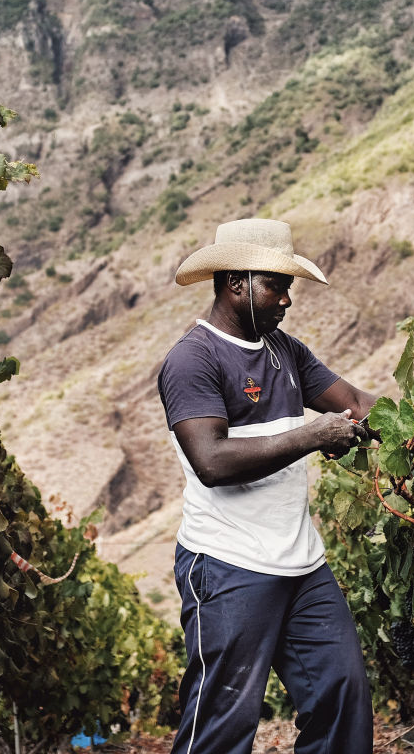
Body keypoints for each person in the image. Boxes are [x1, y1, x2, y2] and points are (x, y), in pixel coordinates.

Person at [158, 218, 378, 754]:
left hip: (301, 566)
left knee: (342, 695)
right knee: (222, 724)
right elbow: (211, 461)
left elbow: (356, 404)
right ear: (237, 283)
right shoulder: (193, 361)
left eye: (288, 287)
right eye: (277, 286)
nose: (286, 300)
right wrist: (312, 435)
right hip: (229, 565)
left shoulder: (285, 350)